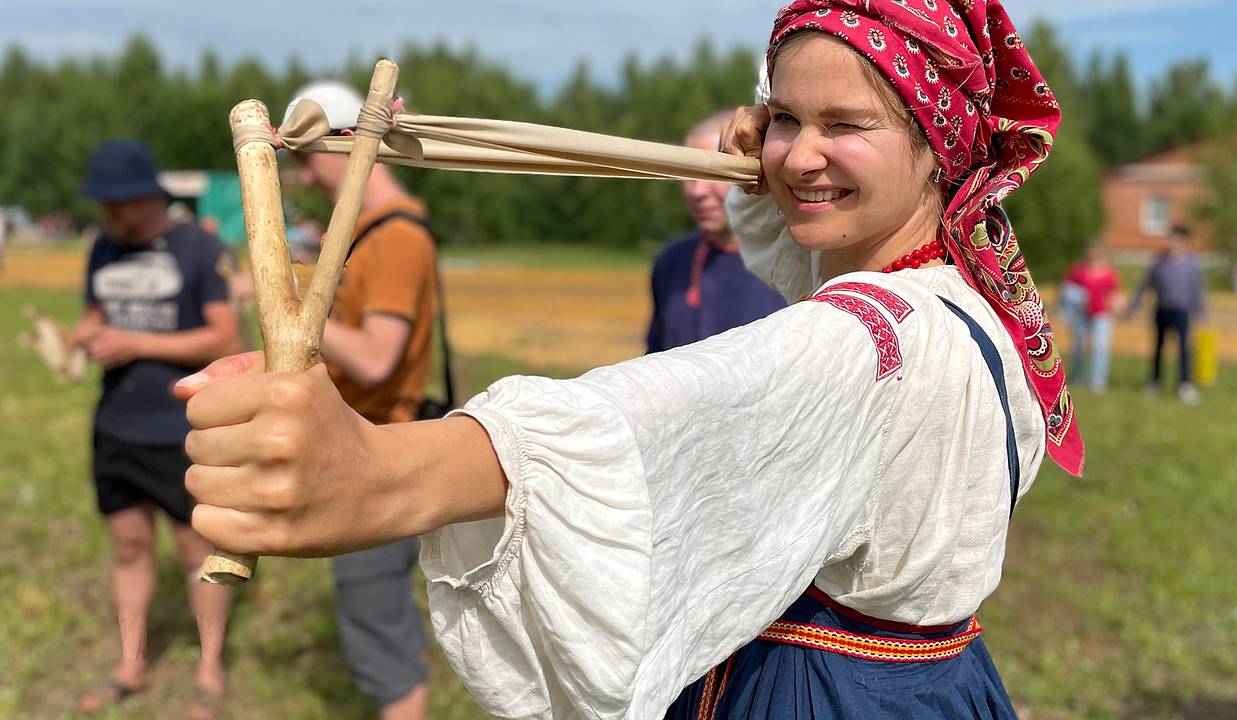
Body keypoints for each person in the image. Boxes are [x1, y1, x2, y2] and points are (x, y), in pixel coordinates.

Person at [175, 1, 1083, 717]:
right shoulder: (975, 296)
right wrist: (770, 174)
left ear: (940, 148)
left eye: (845, 124)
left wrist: (378, 470)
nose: (799, 155)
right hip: (938, 689)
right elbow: (816, 244)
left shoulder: (861, 341)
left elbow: (661, 414)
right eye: (785, 120)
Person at [283, 81, 438, 720]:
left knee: (376, 620)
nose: (301, 170)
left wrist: (298, 312)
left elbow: (376, 355)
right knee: (373, 613)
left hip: (380, 450)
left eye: (305, 151)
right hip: (360, 444)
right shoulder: (368, 231)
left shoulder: (396, 236)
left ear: (344, 143)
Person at [72, 140, 239, 719]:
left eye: (118, 204)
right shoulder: (103, 249)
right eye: (103, 205)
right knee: (129, 544)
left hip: (180, 428)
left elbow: (224, 338)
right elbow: (98, 312)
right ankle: (132, 665)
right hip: (116, 424)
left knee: (197, 550)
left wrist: (137, 344)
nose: (109, 215)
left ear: (149, 196)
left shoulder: (202, 249)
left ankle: (209, 671)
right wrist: (81, 336)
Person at [647, 111, 786, 353]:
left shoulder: (793, 267)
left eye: (713, 174)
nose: (697, 192)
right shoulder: (671, 262)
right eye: (689, 175)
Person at [1126, 226, 1206, 405]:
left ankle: (1184, 384)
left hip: (1182, 312)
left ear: (1184, 242)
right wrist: (1133, 306)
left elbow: (1198, 290)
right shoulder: (1159, 263)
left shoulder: (1191, 264)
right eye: (1170, 239)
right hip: (1162, 310)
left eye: (1175, 240)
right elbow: (1145, 285)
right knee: (1158, 348)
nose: (1171, 243)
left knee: (1184, 350)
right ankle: (1154, 382)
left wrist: (1201, 313)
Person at [1062, 245, 1121, 393]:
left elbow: (1114, 293)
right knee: (1078, 346)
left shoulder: (1109, 273)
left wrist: (1119, 307)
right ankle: (1077, 376)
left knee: (1100, 347)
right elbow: (1066, 289)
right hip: (1081, 315)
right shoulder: (1079, 270)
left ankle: (1098, 379)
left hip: (1102, 314)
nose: (1094, 255)